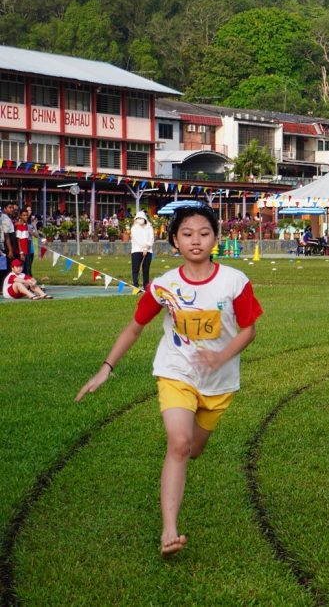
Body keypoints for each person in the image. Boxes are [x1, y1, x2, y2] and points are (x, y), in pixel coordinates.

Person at [74, 203, 263, 557]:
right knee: (178, 443)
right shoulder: (164, 286)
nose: (196, 241)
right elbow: (135, 328)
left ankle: (185, 464)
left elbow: (249, 329)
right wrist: (106, 367)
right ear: (174, 240)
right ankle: (169, 532)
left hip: (219, 382)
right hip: (175, 371)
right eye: (187, 234)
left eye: (204, 234)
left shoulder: (235, 281)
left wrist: (220, 357)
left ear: (216, 238)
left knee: (193, 448)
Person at [130, 211, 156, 288]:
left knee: (146, 269)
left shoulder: (149, 227)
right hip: (137, 250)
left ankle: (146, 286)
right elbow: (136, 239)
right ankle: (136, 286)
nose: (140, 220)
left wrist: (147, 247)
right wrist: (143, 248)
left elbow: (151, 238)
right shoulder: (134, 228)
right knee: (136, 269)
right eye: (138, 218)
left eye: (141, 218)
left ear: (145, 219)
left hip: (148, 251)